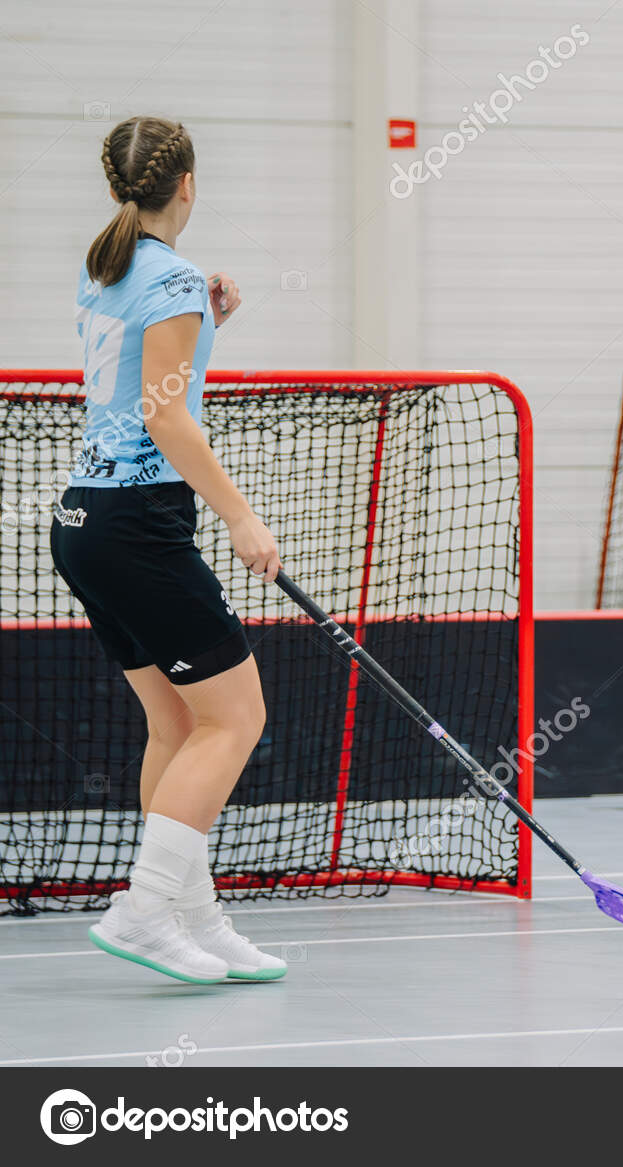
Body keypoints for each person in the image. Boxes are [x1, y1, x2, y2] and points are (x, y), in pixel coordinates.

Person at [51, 116, 286, 981]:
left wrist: (208, 317)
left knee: (178, 721)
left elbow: (140, 383)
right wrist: (240, 515)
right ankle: (146, 909)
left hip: (83, 522)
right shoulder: (172, 276)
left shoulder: (106, 264)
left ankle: (193, 914)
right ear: (186, 184)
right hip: (140, 525)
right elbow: (164, 412)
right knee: (238, 717)